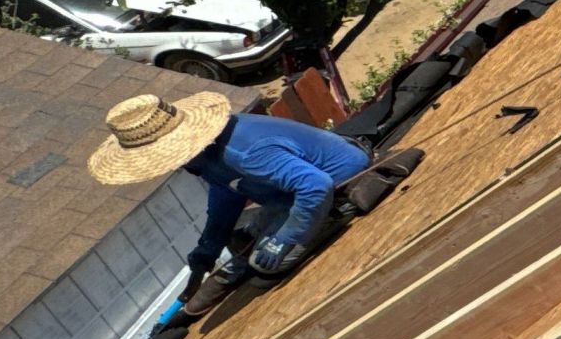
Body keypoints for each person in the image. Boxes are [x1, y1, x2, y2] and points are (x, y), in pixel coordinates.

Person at [88, 92, 371, 314]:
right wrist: (208, 246)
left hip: (337, 179)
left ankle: (336, 214)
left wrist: (285, 238)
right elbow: (227, 193)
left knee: (266, 263)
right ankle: (271, 236)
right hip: (282, 194)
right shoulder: (205, 156)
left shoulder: (242, 152)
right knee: (240, 240)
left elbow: (314, 185)